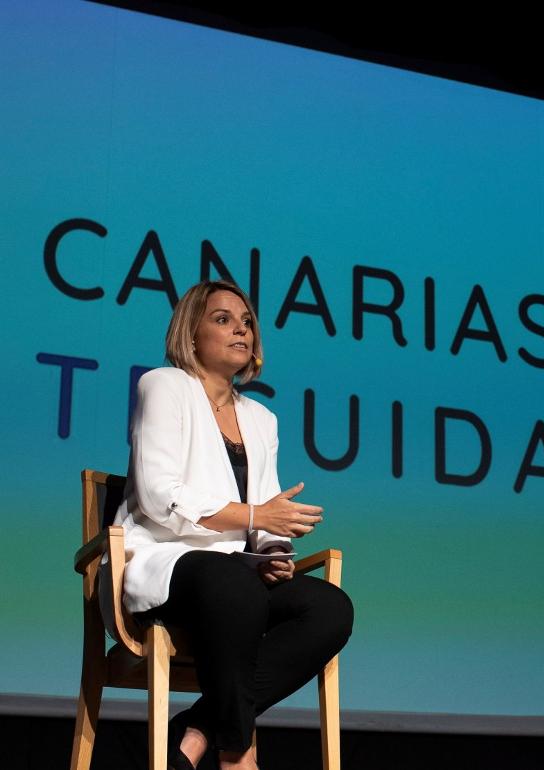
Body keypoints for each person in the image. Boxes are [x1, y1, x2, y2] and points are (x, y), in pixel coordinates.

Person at [112, 281, 353, 770]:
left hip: (236, 576)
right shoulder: (164, 386)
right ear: (191, 333)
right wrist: (257, 517)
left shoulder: (261, 418)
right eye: (223, 319)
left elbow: (266, 508)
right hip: (169, 564)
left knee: (329, 607)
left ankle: (197, 729)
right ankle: (238, 754)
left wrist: (273, 553)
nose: (241, 330)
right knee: (231, 583)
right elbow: (159, 495)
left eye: (246, 322)